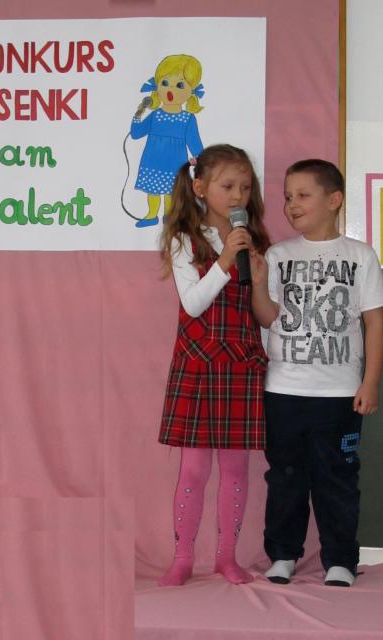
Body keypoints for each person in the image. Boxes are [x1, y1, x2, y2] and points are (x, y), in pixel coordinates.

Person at [250, 159, 383, 587]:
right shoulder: (279, 255)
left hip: (339, 392)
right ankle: (282, 554)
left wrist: (369, 382)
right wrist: (258, 284)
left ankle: (340, 559)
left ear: (334, 200)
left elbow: (375, 322)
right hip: (284, 390)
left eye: (303, 195)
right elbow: (267, 317)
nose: (291, 204)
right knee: (285, 476)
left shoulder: (360, 256)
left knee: (337, 477)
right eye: (288, 196)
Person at [157, 144, 270, 586]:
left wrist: (258, 281)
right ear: (201, 188)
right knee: (194, 469)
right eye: (228, 186)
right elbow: (193, 303)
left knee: (236, 470)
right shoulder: (185, 238)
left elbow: (262, 314)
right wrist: (224, 260)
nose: (238, 195)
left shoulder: (254, 240)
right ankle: (183, 557)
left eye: (245, 187)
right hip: (200, 366)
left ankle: (227, 557)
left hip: (242, 364)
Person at [130, 54, 204, 228]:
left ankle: (169, 216)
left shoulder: (187, 119)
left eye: (180, 85)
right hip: (152, 161)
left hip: (175, 164)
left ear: (191, 92)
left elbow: (195, 144)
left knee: (171, 193)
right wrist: (139, 112)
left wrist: (200, 162)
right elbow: (136, 133)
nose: (170, 90)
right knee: (152, 191)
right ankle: (151, 215)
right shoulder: (155, 115)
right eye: (164, 83)